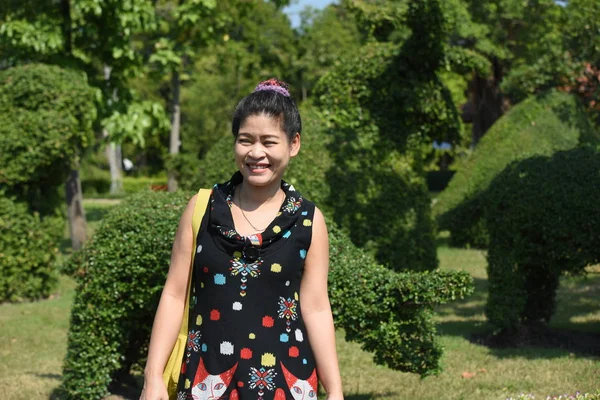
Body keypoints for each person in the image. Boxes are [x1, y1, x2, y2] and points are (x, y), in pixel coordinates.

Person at [140, 79, 344, 400]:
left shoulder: (308, 220)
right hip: (207, 381)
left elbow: (317, 308)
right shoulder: (202, 209)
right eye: (245, 140)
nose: (256, 153)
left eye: (269, 142)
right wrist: (153, 378)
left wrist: (335, 391)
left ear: (294, 144)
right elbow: (174, 294)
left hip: (286, 383)